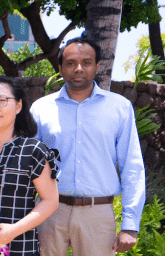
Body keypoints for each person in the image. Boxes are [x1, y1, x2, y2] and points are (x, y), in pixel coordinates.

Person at [32, 37, 146, 255]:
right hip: (50, 211)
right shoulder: (41, 109)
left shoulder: (119, 108)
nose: (78, 69)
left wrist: (130, 225)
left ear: (97, 66)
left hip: (98, 214)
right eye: (70, 63)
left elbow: (132, 167)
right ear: (60, 68)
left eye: (86, 62)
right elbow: (28, 165)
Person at [0, 76, 59, 256]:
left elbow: (50, 201)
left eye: (2, 101)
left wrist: (15, 230)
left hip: (19, 247)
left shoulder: (34, 150)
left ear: (18, 106)